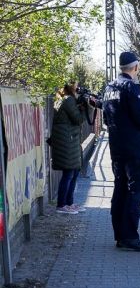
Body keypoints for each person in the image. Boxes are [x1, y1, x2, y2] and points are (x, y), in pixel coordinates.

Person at [102, 51, 140, 252]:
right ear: (135, 67)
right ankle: (130, 237)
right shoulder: (132, 87)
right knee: (136, 192)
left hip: (117, 148)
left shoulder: (109, 88)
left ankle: (120, 235)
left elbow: (106, 119)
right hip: (135, 149)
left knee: (120, 190)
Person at [50, 81, 87, 215]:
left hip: (66, 141)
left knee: (73, 172)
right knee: (69, 173)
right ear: (70, 87)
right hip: (67, 141)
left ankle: (69, 203)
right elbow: (77, 119)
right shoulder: (69, 100)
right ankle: (62, 204)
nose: (78, 88)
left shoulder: (61, 99)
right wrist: (83, 109)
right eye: (76, 85)